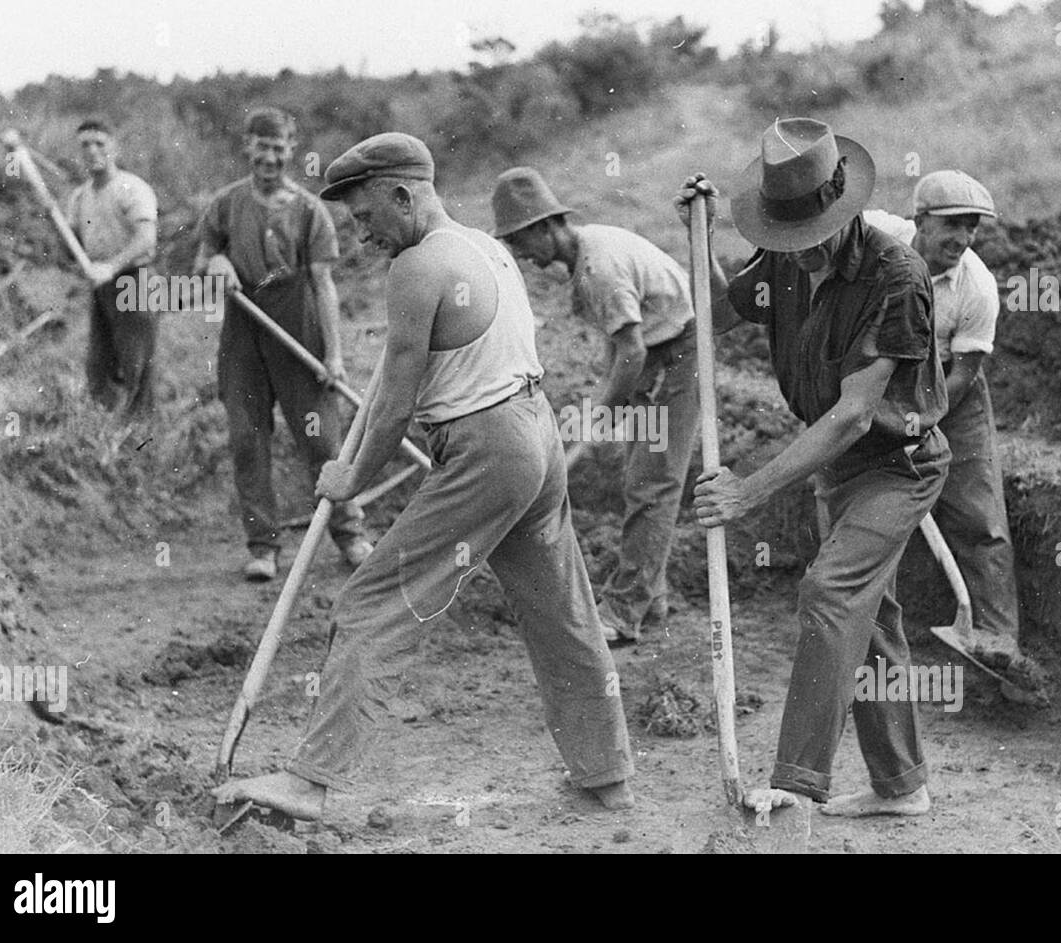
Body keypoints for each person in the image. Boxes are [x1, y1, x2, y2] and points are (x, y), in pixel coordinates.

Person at [212, 133, 635, 820]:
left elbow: (396, 407)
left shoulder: (416, 267)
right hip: (536, 434)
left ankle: (310, 780)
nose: (363, 234)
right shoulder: (484, 247)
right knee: (562, 611)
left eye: (366, 215)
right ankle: (607, 775)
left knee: (373, 600)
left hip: (490, 450)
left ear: (402, 194)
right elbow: (408, 380)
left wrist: (349, 477)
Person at [677, 118, 951, 817]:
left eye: (807, 238)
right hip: (839, 470)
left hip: (898, 464)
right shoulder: (780, 262)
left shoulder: (898, 277)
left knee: (830, 594)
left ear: (845, 210)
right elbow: (718, 313)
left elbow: (856, 414)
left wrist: (748, 491)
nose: (795, 254)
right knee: (872, 621)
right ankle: (902, 786)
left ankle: (794, 785)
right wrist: (701, 237)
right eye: (782, 238)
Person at [490, 167, 699, 646]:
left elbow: (633, 351)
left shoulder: (598, 267)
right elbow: (620, 344)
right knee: (640, 479)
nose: (522, 255)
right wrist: (606, 399)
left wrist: (597, 416)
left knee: (653, 485)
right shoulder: (588, 251)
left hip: (678, 354)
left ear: (546, 227)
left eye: (522, 242)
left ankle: (625, 610)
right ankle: (654, 599)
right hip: (655, 351)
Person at [864, 171, 1045, 695]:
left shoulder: (977, 285)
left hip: (949, 385)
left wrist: (921, 420)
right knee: (869, 501)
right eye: (952, 226)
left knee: (978, 512)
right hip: (879, 375)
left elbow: (964, 372)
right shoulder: (877, 238)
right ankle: (870, 629)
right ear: (919, 219)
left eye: (971, 228)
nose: (962, 240)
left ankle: (996, 636)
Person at [194, 107, 370, 581]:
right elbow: (205, 256)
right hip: (243, 329)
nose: (269, 157)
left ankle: (350, 535)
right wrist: (218, 265)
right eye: (261, 147)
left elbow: (324, 284)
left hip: (298, 326)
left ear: (291, 151)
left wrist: (333, 354)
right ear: (247, 146)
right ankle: (263, 546)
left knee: (321, 439)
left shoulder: (310, 210)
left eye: (278, 148)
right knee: (247, 440)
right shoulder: (225, 205)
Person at [65, 118, 159, 418]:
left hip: (135, 282)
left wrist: (113, 266)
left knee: (136, 366)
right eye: (85, 145)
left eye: (99, 143)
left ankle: (141, 439)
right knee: (99, 364)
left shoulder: (131, 188)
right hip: (101, 286)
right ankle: (105, 439)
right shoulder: (80, 197)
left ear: (114, 147)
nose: (92, 151)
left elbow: (146, 238)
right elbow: (73, 242)